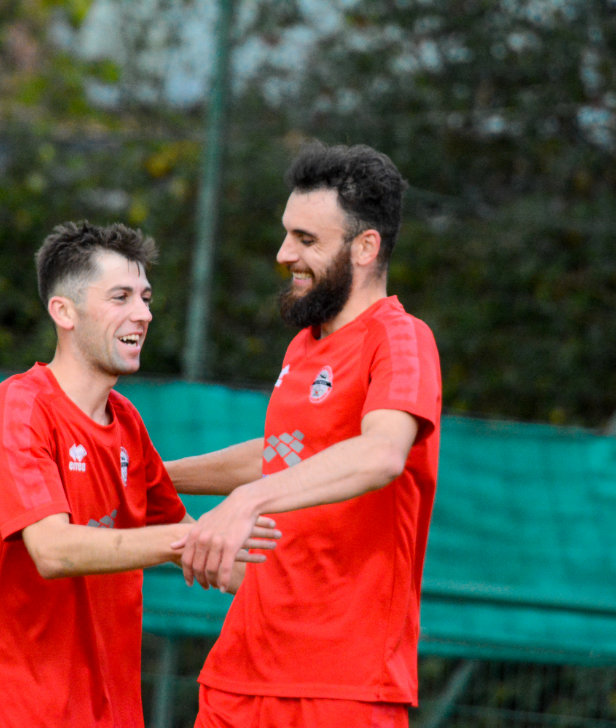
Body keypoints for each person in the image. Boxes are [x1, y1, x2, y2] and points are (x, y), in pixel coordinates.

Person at [0, 220, 278, 728]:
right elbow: (53, 550)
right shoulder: (18, 407)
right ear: (64, 312)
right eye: (121, 297)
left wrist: (313, 607)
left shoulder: (127, 424)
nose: (143, 313)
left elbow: (210, 552)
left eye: (146, 297)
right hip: (9, 714)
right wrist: (193, 536)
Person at [168, 142, 442, 728]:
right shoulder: (303, 346)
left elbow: (381, 453)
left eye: (306, 239)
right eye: (286, 234)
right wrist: (154, 475)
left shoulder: (401, 338)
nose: (283, 253)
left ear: (365, 247)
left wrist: (246, 501)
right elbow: (283, 456)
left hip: (341, 686)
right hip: (237, 673)